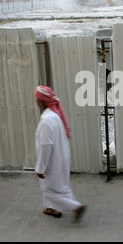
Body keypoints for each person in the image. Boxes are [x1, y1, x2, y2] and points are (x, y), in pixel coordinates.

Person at [34, 86, 86, 223]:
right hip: (60, 157)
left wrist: (40, 168)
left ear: (43, 102)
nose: (36, 102)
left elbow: (45, 146)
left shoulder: (47, 120)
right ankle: (51, 208)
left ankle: (76, 207)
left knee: (50, 190)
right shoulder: (54, 115)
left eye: (37, 99)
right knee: (61, 187)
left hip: (52, 161)